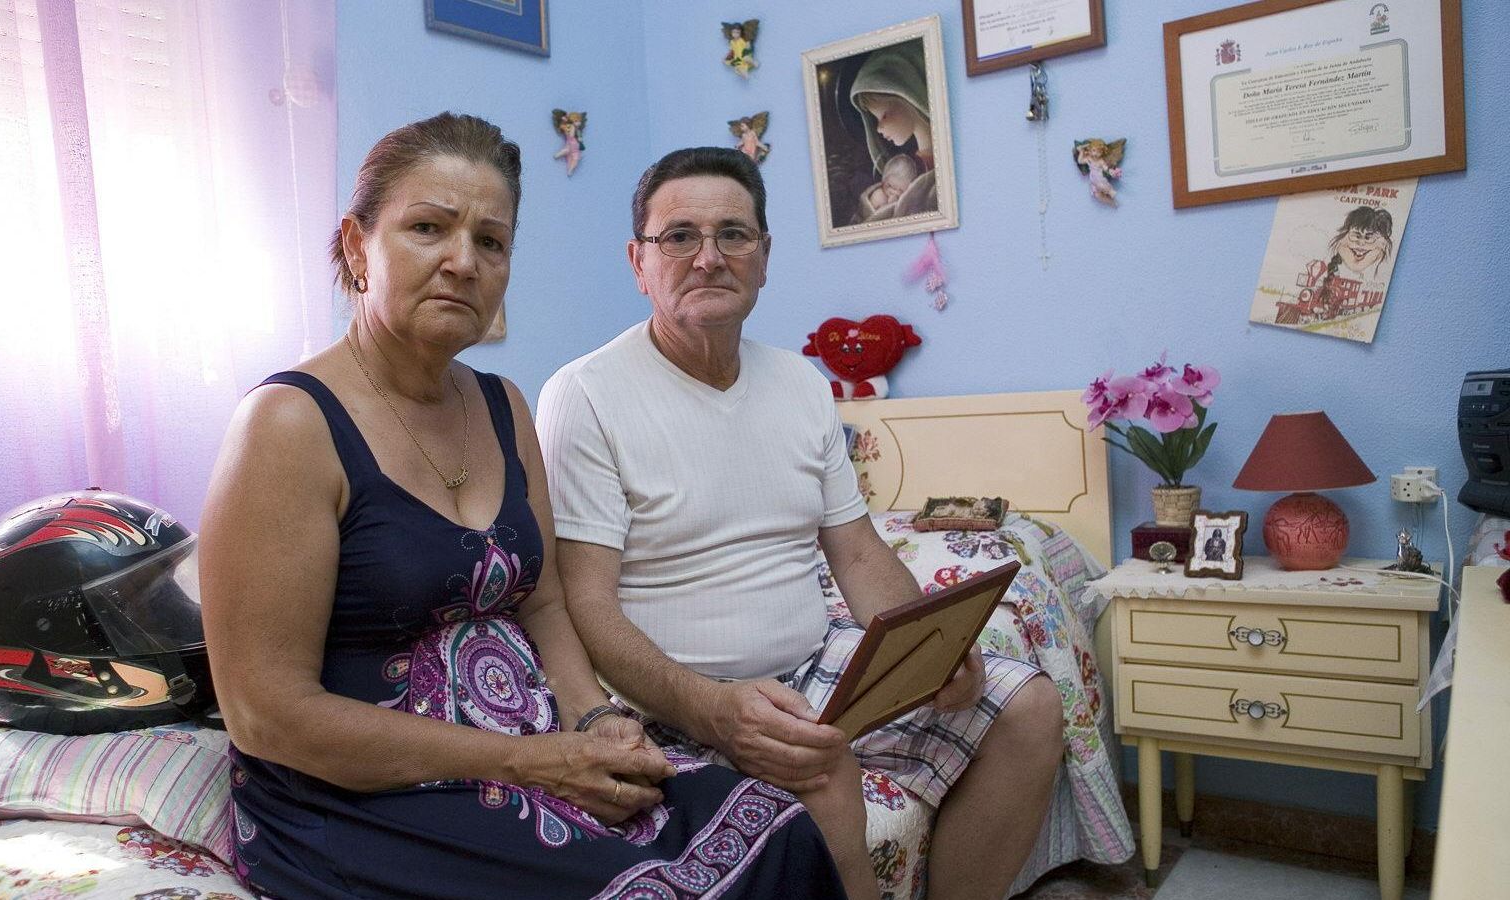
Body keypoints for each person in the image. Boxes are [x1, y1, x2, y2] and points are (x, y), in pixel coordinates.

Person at [199, 114, 845, 900]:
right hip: (367, 794)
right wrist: (532, 762)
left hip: (528, 747)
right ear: (357, 244)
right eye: (428, 227)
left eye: (492, 242)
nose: (463, 262)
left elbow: (544, 602)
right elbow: (266, 715)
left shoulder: (504, 405)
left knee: (778, 834)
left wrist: (592, 722)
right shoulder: (289, 424)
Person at [538, 147, 1067, 900]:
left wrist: (928, 646)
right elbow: (584, 602)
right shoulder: (585, 395)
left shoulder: (801, 384)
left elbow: (855, 549)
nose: (709, 257)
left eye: (734, 234)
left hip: (811, 665)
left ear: (764, 256)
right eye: (679, 236)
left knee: (1029, 707)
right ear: (638, 261)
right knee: (818, 766)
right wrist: (712, 709)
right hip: (672, 694)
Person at [849, 42, 938, 223]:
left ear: (908, 97)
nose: (879, 129)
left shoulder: (936, 170)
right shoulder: (910, 167)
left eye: (883, 116)